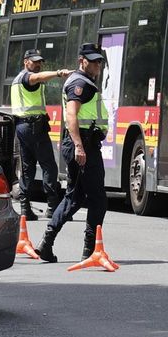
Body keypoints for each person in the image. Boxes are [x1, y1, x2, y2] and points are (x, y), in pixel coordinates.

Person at [38, 43, 109, 264]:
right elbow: (71, 115)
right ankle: (90, 250)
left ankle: (46, 242)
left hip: (84, 144)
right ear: (82, 61)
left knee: (75, 196)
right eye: (93, 61)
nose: (98, 65)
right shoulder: (79, 83)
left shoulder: (84, 82)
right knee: (97, 198)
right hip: (83, 146)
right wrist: (79, 146)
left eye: (99, 61)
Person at [10, 48, 71, 219]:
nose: (38, 65)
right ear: (25, 62)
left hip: (23, 127)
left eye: (39, 62)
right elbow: (36, 77)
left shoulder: (16, 80)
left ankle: (24, 208)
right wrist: (59, 73)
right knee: (49, 166)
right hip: (34, 127)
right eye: (34, 61)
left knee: (28, 168)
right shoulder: (27, 77)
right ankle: (53, 206)